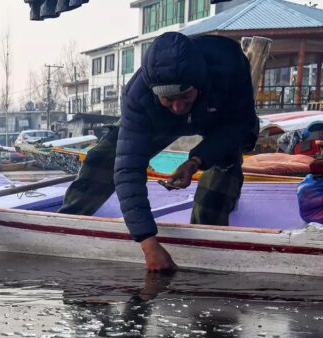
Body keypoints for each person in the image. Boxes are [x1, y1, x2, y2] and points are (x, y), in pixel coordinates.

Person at [59, 32, 259, 272]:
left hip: (218, 117)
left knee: (225, 167)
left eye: (185, 96)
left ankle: (208, 247)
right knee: (104, 158)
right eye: (168, 99)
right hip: (159, 122)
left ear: (200, 83)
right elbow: (128, 169)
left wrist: (195, 161)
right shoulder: (137, 96)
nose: (177, 106)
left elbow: (237, 126)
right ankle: (63, 226)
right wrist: (148, 243)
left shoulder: (229, 66)